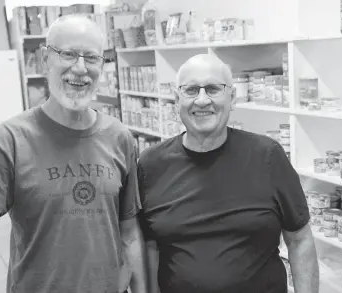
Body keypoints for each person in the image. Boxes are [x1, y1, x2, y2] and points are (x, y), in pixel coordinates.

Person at [0, 15, 147, 293]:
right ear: (44, 59)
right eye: (68, 54)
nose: (80, 68)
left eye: (92, 58)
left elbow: (130, 234)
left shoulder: (120, 138)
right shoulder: (8, 141)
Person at [137, 54, 319, 293]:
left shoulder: (267, 157)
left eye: (213, 89)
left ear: (232, 97)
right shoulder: (151, 165)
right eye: (191, 90)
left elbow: (300, 240)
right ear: (176, 99)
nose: (202, 100)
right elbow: (151, 248)